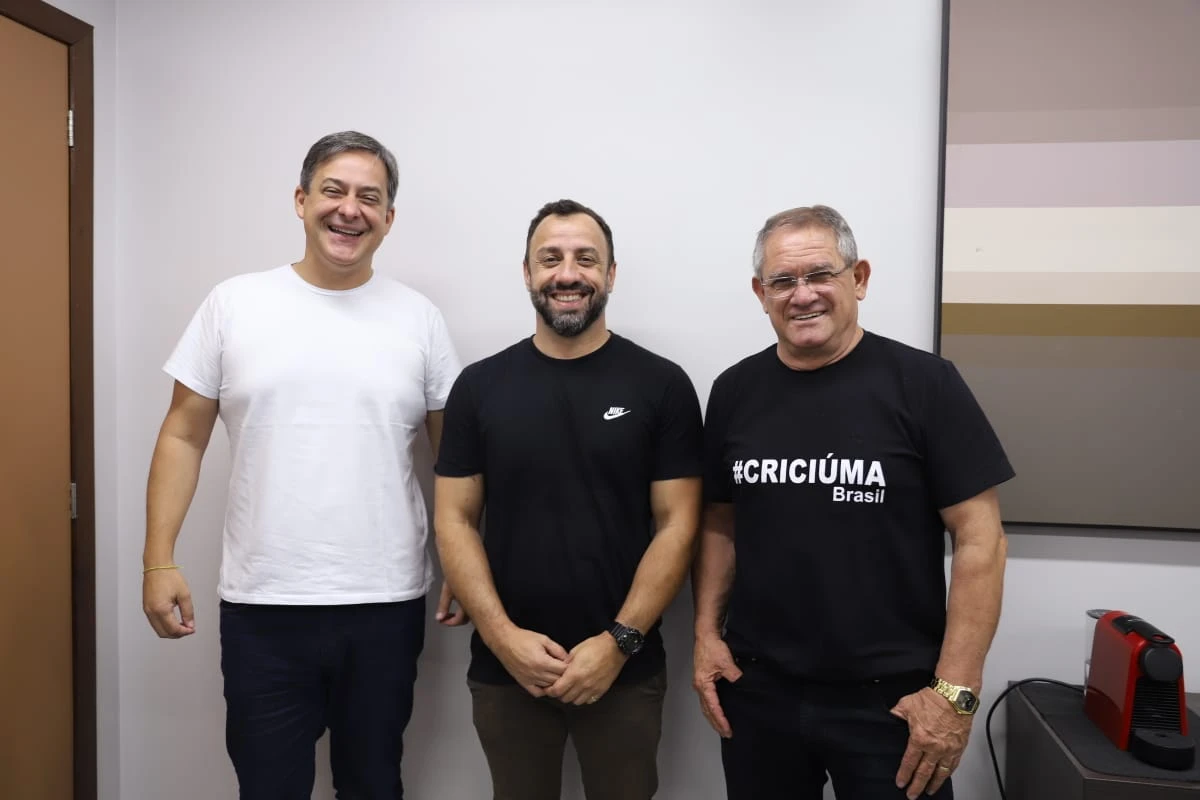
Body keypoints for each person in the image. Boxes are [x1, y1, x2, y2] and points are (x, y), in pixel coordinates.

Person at [141, 130, 460, 799]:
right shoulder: (234, 304)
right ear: (301, 200)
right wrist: (158, 561)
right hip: (264, 605)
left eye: (369, 198)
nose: (349, 209)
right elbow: (182, 436)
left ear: (388, 217)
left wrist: (464, 565)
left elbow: (453, 458)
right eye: (333, 191)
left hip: (385, 601)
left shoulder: (419, 319)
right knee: (269, 788)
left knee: (374, 784)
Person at [692, 205, 1012, 800]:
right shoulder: (734, 391)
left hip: (895, 704)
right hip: (760, 693)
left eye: (820, 274)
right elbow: (719, 523)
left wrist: (955, 693)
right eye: (783, 281)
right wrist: (705, 633)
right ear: (761, 294)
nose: (802, 295)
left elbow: (981, 541)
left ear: (858, 279)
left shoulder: (926, 384)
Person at [432, 199, 703, 800]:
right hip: (506, 670)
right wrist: (503, 638)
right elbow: (454, 519)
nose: (568, 273)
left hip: (625, 668)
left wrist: (618, 643)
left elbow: (678, 526)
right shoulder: (479, 387)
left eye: (586, 258)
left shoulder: (661, 384)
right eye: (550, 258)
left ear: (611, 274)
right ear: (527, 272)